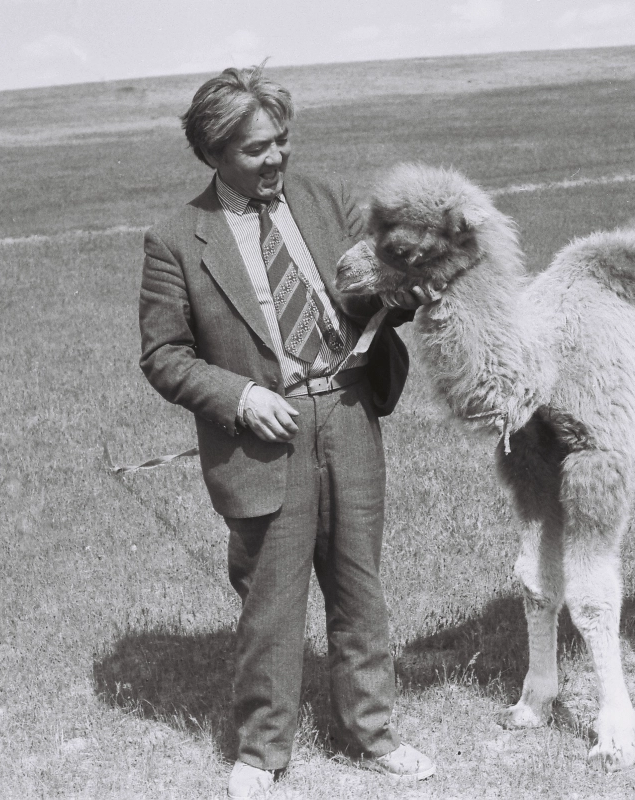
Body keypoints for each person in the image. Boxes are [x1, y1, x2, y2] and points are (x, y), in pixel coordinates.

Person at [139, 64, 437, 798]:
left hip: (347, 414)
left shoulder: (321, 200)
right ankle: (263, 751)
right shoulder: (178, 240)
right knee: (272, 597)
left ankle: (372, 733)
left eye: (282, 142)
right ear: (213, 153)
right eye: (256, 150)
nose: (276, 160)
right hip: (263, 433)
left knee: (357, 584)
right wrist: (238, 396)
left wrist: (407, 294)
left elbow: (366, 293)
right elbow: (163, 356)